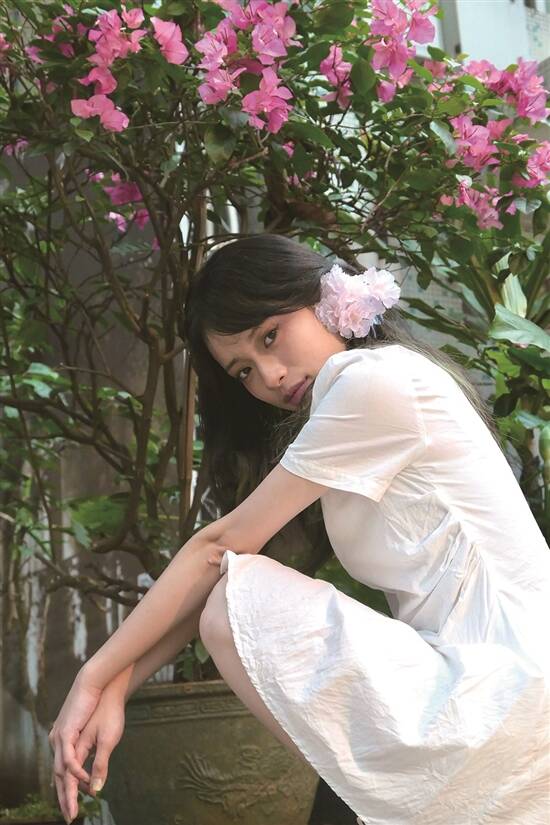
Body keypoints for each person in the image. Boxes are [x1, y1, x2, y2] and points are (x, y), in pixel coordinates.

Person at [49, 233, 550, 825]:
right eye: (243, 370)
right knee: (231, 596)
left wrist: (91, 677)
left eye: (270, 336)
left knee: (233, 601)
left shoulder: (373, 382)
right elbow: (220, 572)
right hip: (491, 685)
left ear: (324, 297)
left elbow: (218, 549)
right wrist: (117, 687)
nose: (270, 376)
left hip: (508, 689)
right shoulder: (362, 393)